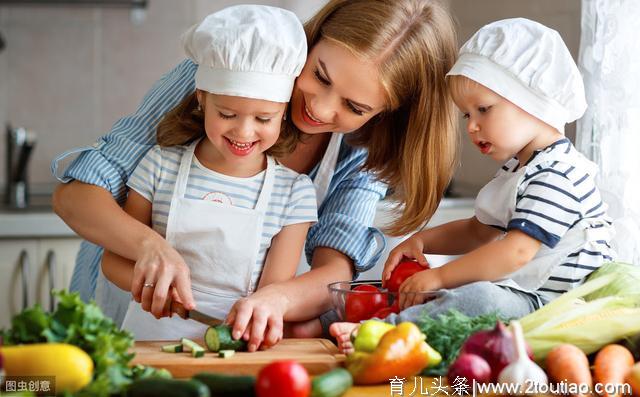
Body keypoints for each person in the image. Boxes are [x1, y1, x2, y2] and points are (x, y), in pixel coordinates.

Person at [51, 0, 459, 351]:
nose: (319, 107)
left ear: (383, 114)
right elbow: (74, 197)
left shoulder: (362, 146)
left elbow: (335, 268)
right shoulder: (227, 66)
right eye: (319, 75)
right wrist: (150, 248)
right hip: (119, 311)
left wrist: (276, 301)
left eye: (354, 107)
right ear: (313, 40)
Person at [331, 18, 615, 352]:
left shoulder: (558, 174)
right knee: (463, 293)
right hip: (528, 296)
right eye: (467, 114)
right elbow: (479, 231)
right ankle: (381, 325)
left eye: (483, 109)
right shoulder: (520, 169)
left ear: (534, 101)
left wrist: (439, 276)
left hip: (558, 309)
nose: (472, 126)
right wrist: (422, 240)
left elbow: (516, 252)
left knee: (479, 296)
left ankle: (382, 334)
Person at [98, 5, 318, 340]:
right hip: (149, 337)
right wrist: (154, 292)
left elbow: (272, 295)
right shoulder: (160, 165)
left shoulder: (293, 193)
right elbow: (113, 262)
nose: (244, 133)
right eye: (227, 114)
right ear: (202, 98)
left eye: (263, 119)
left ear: (284, 112)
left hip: (237, 344)